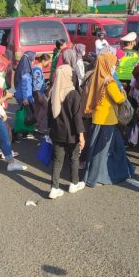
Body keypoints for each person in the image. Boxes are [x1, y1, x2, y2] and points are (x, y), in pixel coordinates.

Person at [83, 53, 134, 186]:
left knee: (95, 149)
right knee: (103, 151)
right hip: (108, 119)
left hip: (97, 118)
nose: (114, 67)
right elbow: (119, 99)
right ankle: (97, 177)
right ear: (107, 64)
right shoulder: (109, 81)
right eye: (112, 64)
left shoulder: (96, 77)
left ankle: (92, 175)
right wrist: (123, 92)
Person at [47, 65, 85, 199]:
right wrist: (81, 135)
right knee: (74, 158)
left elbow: (49, 115)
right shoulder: (74, 93)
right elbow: (77, 117)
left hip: (57, 133)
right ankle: (74, 183)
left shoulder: (53, 92)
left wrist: (50, 129)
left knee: (57, 161)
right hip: (72, 133)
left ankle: (54, 188)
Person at [32, 54, 51, 134]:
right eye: (48, 62)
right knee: (45, 107)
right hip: (38, 92)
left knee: (37, 109)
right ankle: (37, 124)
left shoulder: (37, 68)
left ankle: (35, 126)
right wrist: (38, 93)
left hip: (37, 92)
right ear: (43, 61)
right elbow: (36, 83)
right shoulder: (37, 70)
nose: (48, 64)